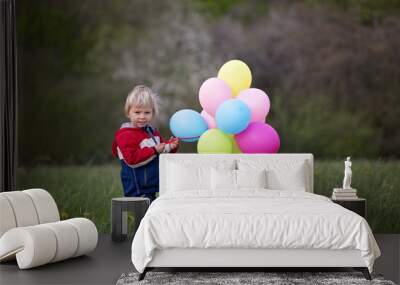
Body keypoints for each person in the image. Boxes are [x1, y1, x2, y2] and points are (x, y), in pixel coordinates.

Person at [112, 85, 179, 202]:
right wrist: (154, 150)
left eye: (147, 112)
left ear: (153, 113)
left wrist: (170, 146)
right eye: (137, 112)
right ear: (128, 113)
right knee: (142, 213)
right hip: (137, 188)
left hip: (151, 186)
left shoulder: (153, 132)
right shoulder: (125, 135)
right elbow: (132, 159)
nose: (142, 116)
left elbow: (161, 150)